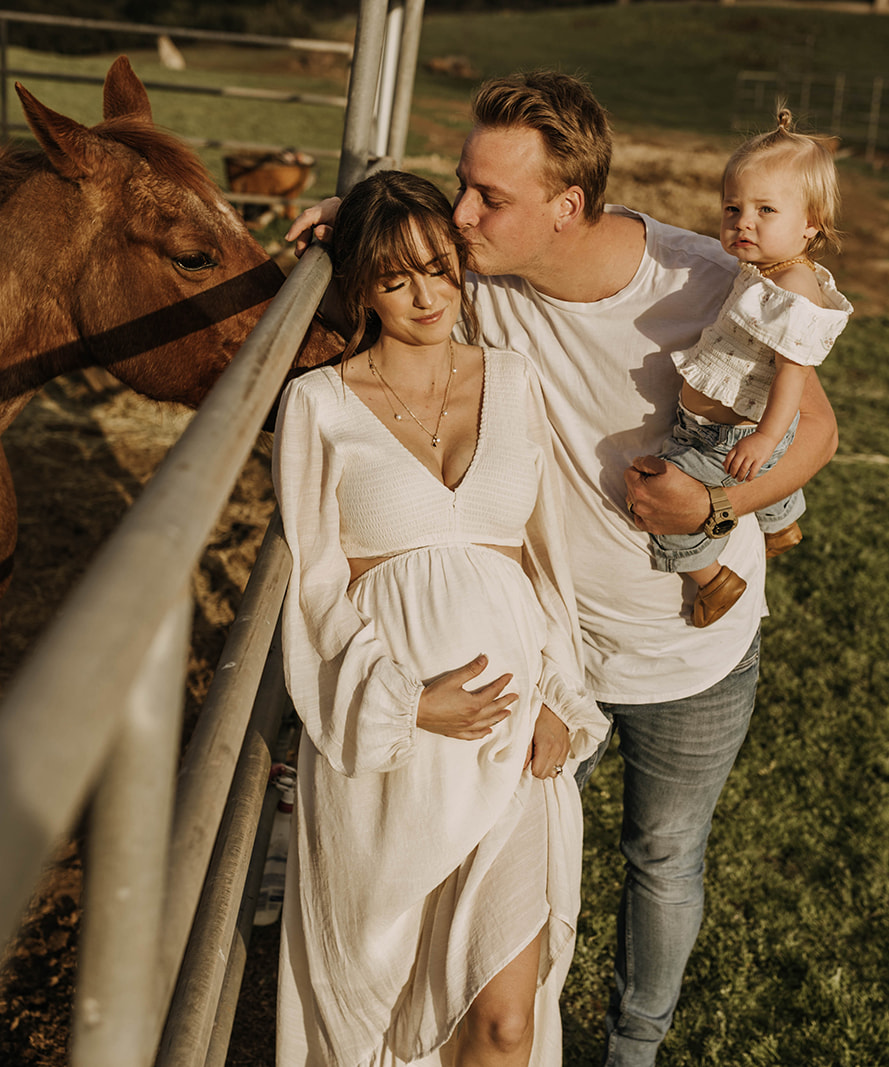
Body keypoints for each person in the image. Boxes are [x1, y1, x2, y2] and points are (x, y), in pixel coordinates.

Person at [289, 72, 838, 1066]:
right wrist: (352, 218)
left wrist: (712, 505)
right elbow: (408, 251)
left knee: (662, 857)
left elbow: (818, 430)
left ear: (567, 206)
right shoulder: (479, 281)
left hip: (692, 646)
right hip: (550, 657)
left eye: (487, 198)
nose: (462, 215)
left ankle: (632, 1047)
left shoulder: (703, 282)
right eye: (462, 185)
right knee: (504, 880)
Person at [272, 168, 609, 1067]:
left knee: (505, 1021)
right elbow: (313, 589)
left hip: (512, 741)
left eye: (439, 269)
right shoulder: (318, 404)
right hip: (393, 752)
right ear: (362, 290)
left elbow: (544, 561)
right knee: (388, 1018)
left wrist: (556, 694)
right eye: (395, 279)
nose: (426, 297)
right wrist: (405, 704)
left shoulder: (515, 377)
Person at [646, 108, 853, 628]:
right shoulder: (768, 270)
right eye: (733, 208)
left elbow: (793, 373)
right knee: (757, 458)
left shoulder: (794, 289)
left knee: (658, 495)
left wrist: (763, 438)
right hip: (718, 426)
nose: (744, 222)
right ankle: (782, 522)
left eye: (766, 210)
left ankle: (712, 578)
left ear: (810, 225)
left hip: (731, 435)